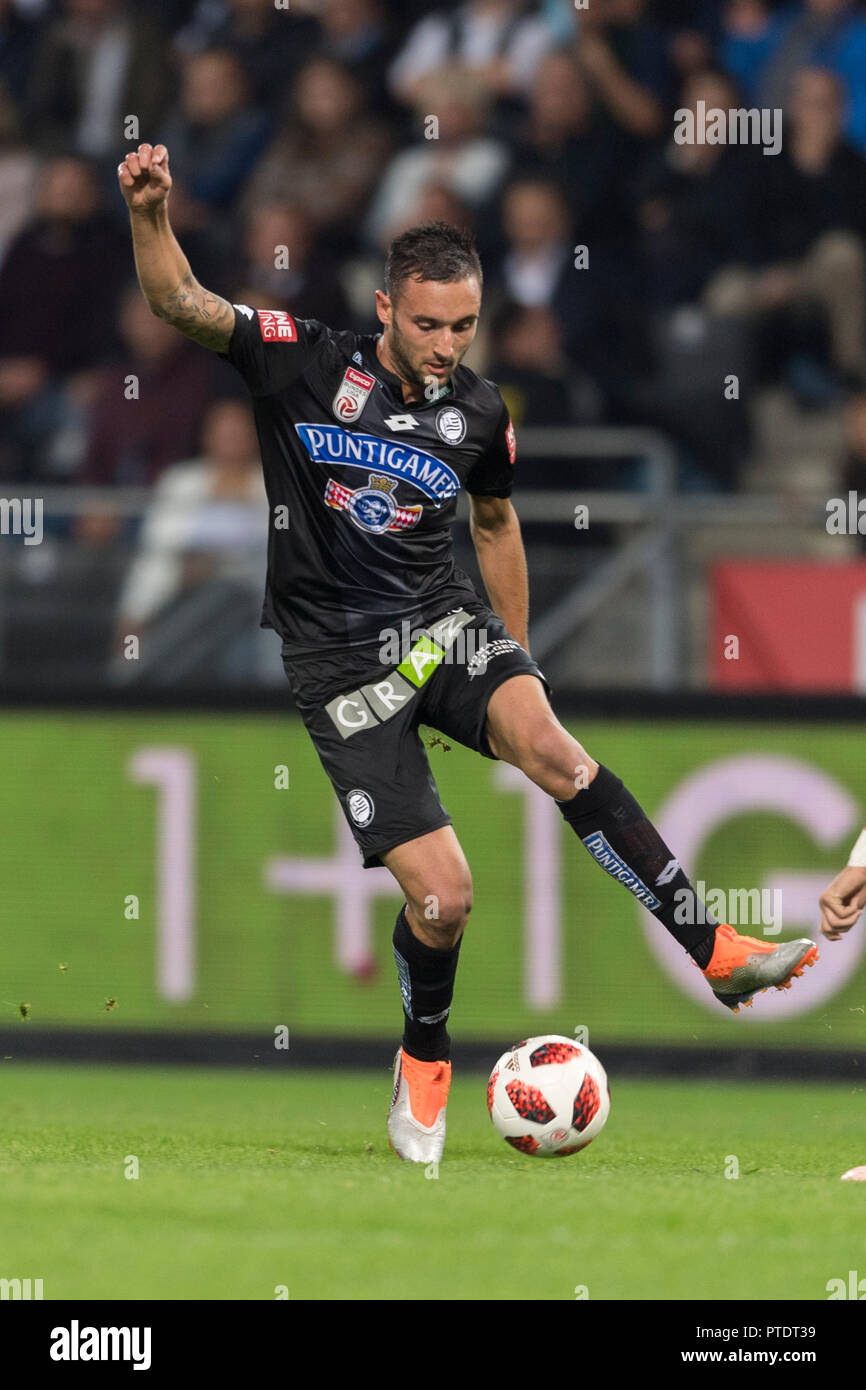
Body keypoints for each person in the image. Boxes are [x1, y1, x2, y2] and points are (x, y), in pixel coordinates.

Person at [118, 141, 820, 1164]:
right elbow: (180, 300)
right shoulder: (302, 359)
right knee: (443, 900)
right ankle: (424, 1056)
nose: (447, 345)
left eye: (463, 325)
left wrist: (516, 661)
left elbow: (494, 523)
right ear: (385, 309)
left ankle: (712, 950)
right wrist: (148, 211)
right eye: (428, 323)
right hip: (339, 664)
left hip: (443, 627)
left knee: (558, 753)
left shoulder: (478, 412)